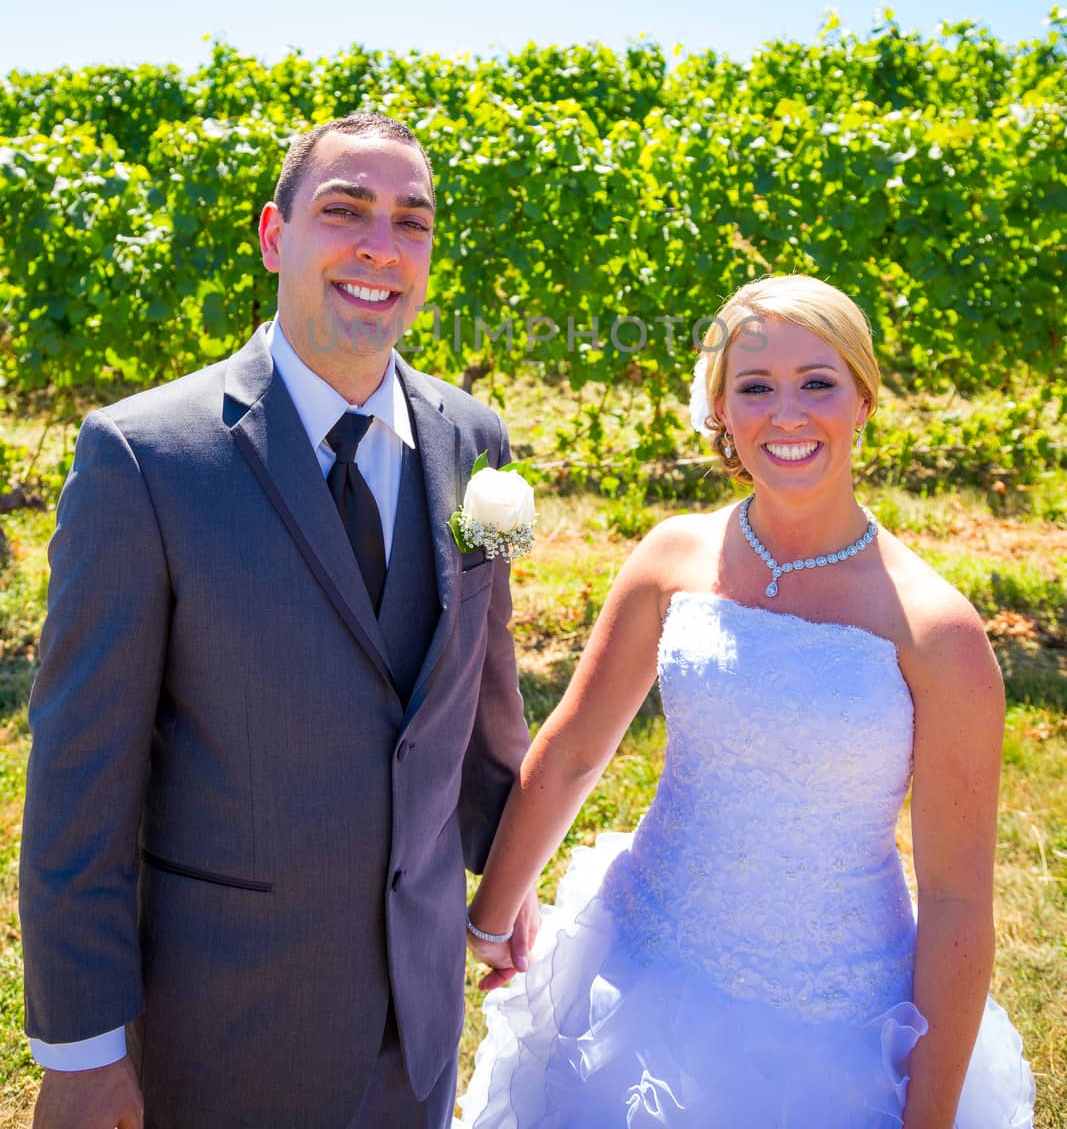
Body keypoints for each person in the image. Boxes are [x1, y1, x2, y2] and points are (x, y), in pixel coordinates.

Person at [19, 111, 534, 1129]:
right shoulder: (144, 458)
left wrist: (505, 872)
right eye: (343, 212)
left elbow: (480, 700)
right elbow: (81, 780)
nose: (380, 248)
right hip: (224, 1032)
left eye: (410, 221)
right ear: (272, 237)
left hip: (418, 1024)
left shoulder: (474, 439)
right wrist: (81, 1048)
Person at [459, 274, 1036, 1128]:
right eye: (755, 387)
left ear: (862, 402)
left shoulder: (935, 629)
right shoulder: (671, 557)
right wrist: (489, 915)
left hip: (835, 1014)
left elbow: (954, 897)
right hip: (640, 962)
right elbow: (578, 747)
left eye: (818, 383)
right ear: (720, 409)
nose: (787, 414)